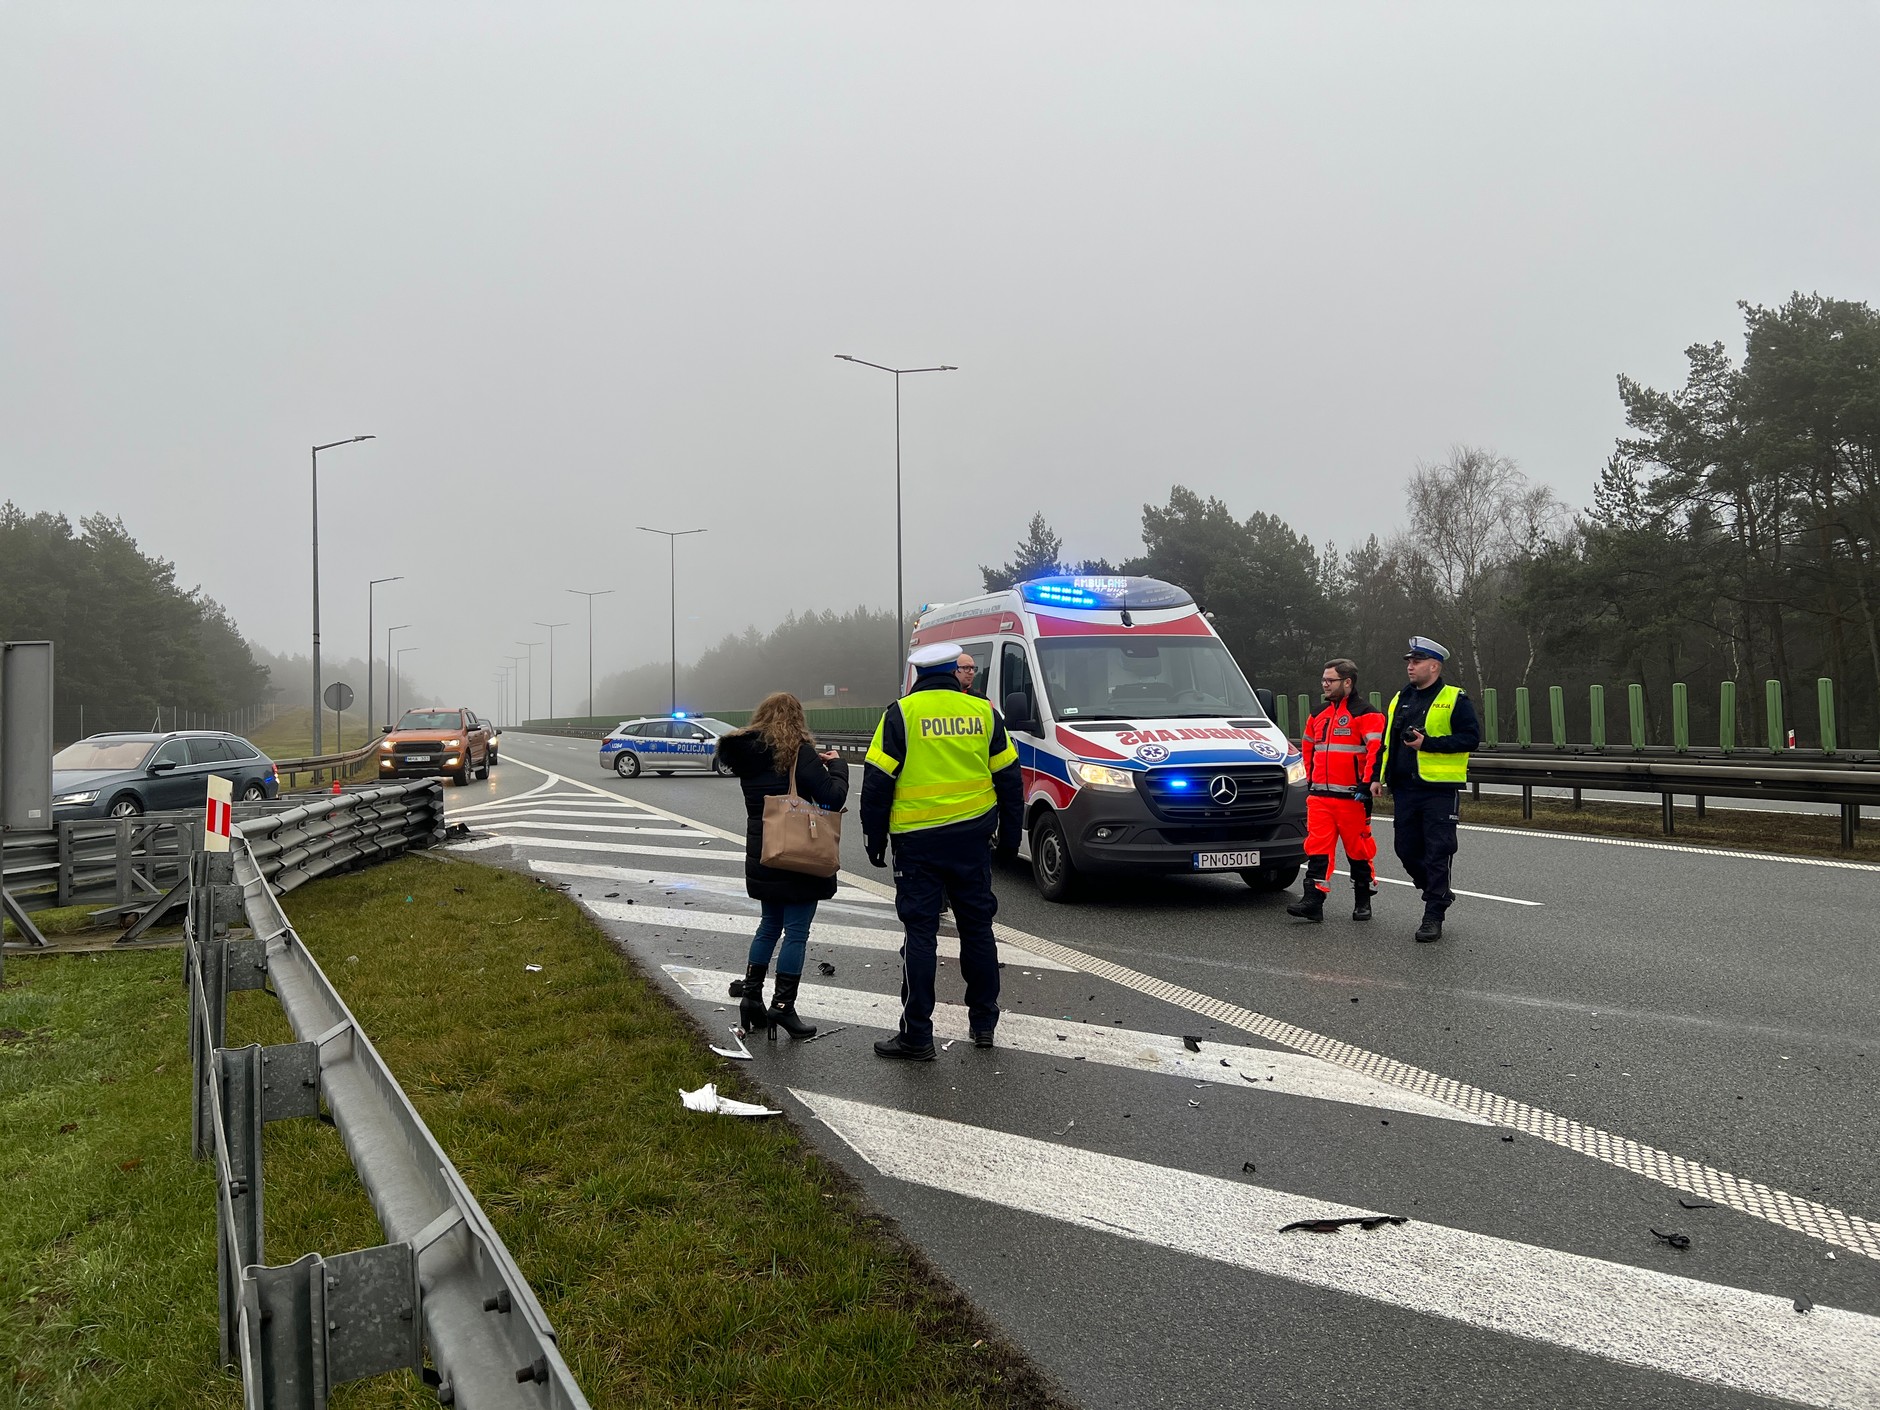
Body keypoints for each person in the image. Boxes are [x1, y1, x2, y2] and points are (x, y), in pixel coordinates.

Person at [862, 640, 1024, 1060]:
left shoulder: (900, 714)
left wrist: (873, 838)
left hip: (917, 843)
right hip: (973, 840)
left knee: (920, 934)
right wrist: (1010, 836)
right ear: (955, 671)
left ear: (917, 674)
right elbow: (1008, 777)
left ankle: (917, 1035)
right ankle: (984, 1024)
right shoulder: (984, 713)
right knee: (977, 929)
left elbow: (878, 782)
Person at [715, 692, 851, 1038]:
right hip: (797, 854)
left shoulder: (747, 755)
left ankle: (750, 999)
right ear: (796, 719)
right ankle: (782, 1008)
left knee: (768, 926)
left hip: (764, 852)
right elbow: (832, 797)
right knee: (796, 932)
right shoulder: (797, 754)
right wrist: (837, 766)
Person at [1374, 636, 1479, 942]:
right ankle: (1439, 891)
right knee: (1405, 849)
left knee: (1437, 851)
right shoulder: (1401, 698)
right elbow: (1387, 744)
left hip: (1439, 790)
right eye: (1409, 661)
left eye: (1416, 661)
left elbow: (1470, 738)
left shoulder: (1454, 698)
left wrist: (1428, 744)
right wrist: (1378, 777)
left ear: (1434, 666)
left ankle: (1433, 912)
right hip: (1405, 788)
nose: (1410, 666)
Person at [1287, 658, 1384, 923]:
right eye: (1323, 680)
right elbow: (1308, 750)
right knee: (1317, 848)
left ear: (1348, 682)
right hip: (1320, 796)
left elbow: (1376, 751)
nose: (1324, 684)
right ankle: (1313, 901)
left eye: (1330, 680)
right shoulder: (1318, 714)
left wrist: (1368, 783)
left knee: (1359, 850)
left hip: (1354, 796)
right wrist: (1310, 782)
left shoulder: (1367, 713)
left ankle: (1363, 899)